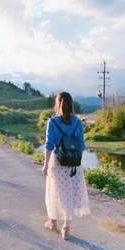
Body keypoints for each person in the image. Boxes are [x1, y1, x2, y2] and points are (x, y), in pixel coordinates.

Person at [42, 91, 90, 240]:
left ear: (58, 104)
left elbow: (49, 145)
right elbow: (82, 145)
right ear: (71, 104)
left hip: (58, 163)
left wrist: (45, 165)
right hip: (74, 164)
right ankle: (66, 228)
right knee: (70, 194)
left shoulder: (53, 122)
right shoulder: (77, 122)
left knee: (55, 192)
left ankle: (53, 222)